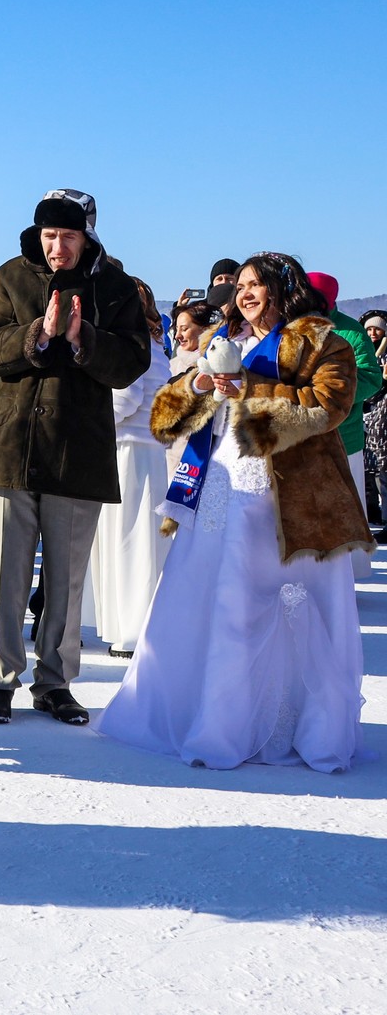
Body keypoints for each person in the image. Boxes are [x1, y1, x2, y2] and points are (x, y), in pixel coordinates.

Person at [98, 253, 369, 772]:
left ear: (283, 290)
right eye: (240, 285)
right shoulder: (219, 342)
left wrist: (249, 391)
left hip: (288, 497)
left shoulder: (321, 341)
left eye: (256, 285)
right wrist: (199, 386)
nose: (244, 294)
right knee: (207, 594)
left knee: (261, 596)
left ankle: (280, 723)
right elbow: (165, 418)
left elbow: (329, 405)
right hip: (216, 485)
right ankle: (207, 713)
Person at [0, 189, 151, 727]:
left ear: (87, 235)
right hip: (13, 448)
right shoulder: (12, 276)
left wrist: (83, 337)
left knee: (67, 579)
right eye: (50, 236)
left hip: (79, 450)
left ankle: (55, 683)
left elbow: (132, 362)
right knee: (4, 572)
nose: (57, 247)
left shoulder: (116, 287)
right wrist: (38, 333)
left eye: (68, 237)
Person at [82, 278, 174, 658]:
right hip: (140, 449)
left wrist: (84, 424)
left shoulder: (131, 343)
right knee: (134, 540)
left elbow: (125, 398)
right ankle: (127, 625)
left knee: (128, 540)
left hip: (127, 449)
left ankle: (131, 629)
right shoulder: (152, 340)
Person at [305, 272, 381, 581]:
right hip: (300, 433)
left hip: (342, 436)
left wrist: (335, 397)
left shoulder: (350, 332)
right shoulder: (291, 328)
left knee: (341, 510)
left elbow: (371, 377)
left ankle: (346, 577)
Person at [360, 309, 387, 531]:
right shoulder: (365, 354)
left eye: (377, 328)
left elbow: (374, 387)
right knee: (369, 470)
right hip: (366, 419)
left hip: (382, 421)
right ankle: (371, 512)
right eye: (368, 329)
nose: (372, 333)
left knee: (383, 471)